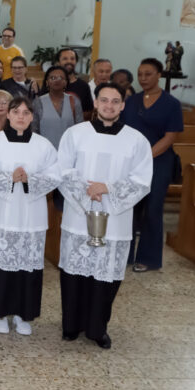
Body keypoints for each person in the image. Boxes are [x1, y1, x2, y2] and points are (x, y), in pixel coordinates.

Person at [56, 83, 152, 348]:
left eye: (115, 101)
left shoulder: (136, 140)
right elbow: (62, 170)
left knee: (106, 274)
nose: (109, 105)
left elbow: (142, 180)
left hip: (115, 217)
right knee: (75, 272)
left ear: (122, 106)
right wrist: (87, 189)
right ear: (96, 103)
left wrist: (106, 188)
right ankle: (71, 325)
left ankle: (98, 328)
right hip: (80, 213)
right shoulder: (75, 134)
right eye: (104, 100)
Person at [0, 95, 59, 335]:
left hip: (31, 214)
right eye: (16, 112)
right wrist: (8, 178)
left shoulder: (43, 145)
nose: (21, 117)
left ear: (32, 117)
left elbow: (55, 175)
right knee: (0, 263)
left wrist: (30, 178)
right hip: (1, 213)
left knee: (27, 265)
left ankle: (24, 314)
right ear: (8, 115)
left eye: (26, 113)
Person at [122, 58, 183, 272]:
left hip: (159, 162)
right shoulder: (131, 101)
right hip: (132, 163)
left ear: (159, 75)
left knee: (152, 209)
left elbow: (170, 137)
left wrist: (146, 155)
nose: (143, 78)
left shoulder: (171, 104)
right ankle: (124, 254)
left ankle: (148, 258)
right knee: (130, 207)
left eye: (148, 74)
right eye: (140, 74)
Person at [34, 66, 83, 149]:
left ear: (66, 82)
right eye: (53, 78)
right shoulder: (38, 102)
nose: (57, 80)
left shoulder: (74, 101)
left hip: (69, 150)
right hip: (44, 151)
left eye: (61, 77)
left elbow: (80, 129)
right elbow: (34, 130)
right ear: (47, 82)